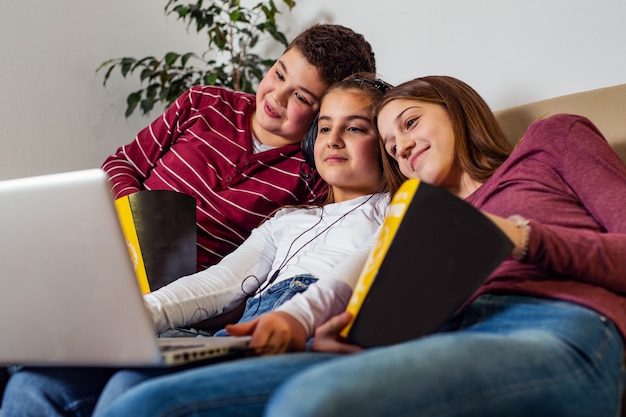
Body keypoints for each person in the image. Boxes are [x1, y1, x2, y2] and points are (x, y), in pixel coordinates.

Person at [91, 75, 626, 417]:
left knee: (311, 402)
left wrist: (524, 237)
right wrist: (314, 324)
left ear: (457, 105)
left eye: (411, 122)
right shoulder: (416, 214)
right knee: (144, 404)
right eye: (392, 145)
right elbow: (359, 274)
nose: (404, 146)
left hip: (558, 326)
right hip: (447, 337)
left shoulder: (548, 142)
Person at [1, 74, 405, 417]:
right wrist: (135, 316)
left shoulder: (397, 212)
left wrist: (298, 315)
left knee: (129, 385)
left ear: (386, 144)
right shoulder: (287, 219)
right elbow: (220, 283)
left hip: (295, 331)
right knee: (37, 384)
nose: (333, 139)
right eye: (326, 126)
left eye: (354, 128)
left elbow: (358, 271)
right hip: (230, 338)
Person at [101, 23, 376, 272]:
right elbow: (122, 163)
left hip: (186, 295)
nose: (277, 96)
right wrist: (134, 215)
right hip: (115, 249)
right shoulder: (202, 103)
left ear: (324, 114)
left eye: (300, 97)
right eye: (279, 75)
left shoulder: (314, 172)